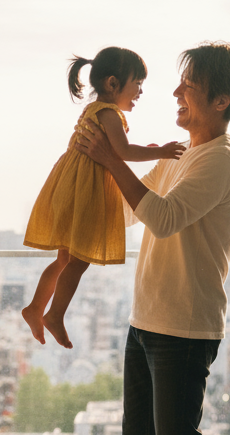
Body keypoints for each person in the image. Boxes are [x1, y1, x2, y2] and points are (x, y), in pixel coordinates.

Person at [76, 41, 230, 435]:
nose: (175, 93)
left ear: (221, 100)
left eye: (190, 86)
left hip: (183, 327)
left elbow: (161, 217)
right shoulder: (180, 154)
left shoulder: (220, 161)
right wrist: (84, 174)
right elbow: (131, 211)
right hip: (147, 320)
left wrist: (112, 158)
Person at [21, 47, 185, 348]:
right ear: (113, 84)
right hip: (85, 191)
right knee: (79, 260)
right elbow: (122, 152)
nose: (140, 91)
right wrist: (160, 151)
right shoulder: (110, 113)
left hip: (69, 187)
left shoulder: (94, 110)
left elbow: (119, 148)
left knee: (64, 258)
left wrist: (144, 149)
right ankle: (54, 314)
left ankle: (35, 307)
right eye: (137, 83)